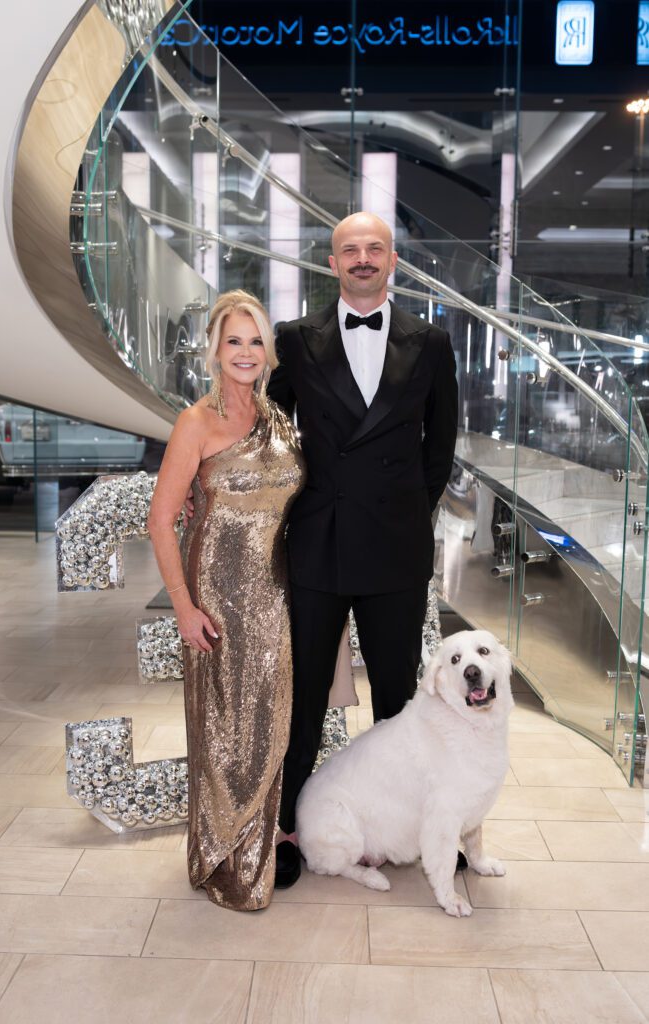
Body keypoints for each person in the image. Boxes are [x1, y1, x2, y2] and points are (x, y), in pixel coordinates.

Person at [267, 212, 459, 887]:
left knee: (399, 698)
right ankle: (289, 831)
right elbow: (269, 432)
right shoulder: (293, 340)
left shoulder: (430, 342)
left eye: (373, 248)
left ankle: (406, 828)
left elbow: (438, 450)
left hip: (394, 546)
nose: (362, 258)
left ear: (393, 260)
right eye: (349, 249)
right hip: (318, 538)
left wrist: (402, 509)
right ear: (331, 262)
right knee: (304, 696)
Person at [147, 290, 305, 911]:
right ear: (215, 350)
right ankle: (222, 857)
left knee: (271, 726)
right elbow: (163, 520)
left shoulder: (279, 417)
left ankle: (259, 848)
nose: (245, 352)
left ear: (268, 353)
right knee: (223, 728)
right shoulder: (196, 422)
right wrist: (183, 607)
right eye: (234, 340)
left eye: (255, 340)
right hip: (217, 593)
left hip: (278, 590)